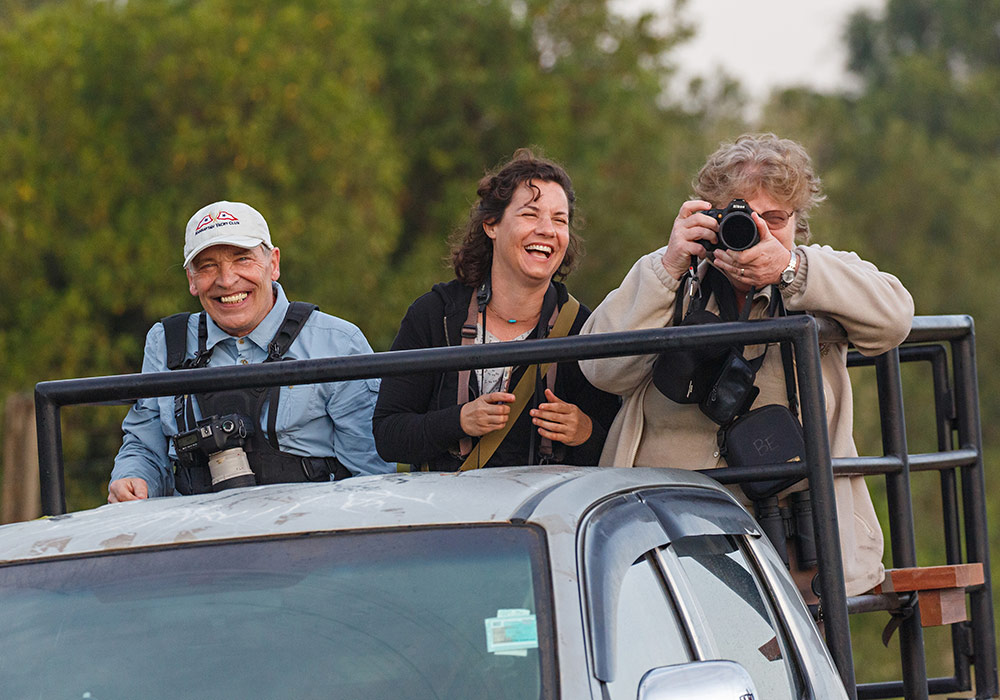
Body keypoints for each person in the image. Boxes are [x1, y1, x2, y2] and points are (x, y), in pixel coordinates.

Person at [579, 133, 914, 599]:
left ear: (798, 220)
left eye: (775, 219)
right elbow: (601, 369)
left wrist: (791, 271)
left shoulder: (817, 273)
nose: (759, 230)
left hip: (792, 527)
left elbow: (895, 318)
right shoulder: (674, 275)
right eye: (740, 216)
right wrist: (669, 266)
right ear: (711, 216)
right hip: (668, 525)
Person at [109, 200, 391, 502]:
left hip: (312, 536)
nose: (227, 280)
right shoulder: (166, 343)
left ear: (274, 264)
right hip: (195, 536)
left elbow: (371, 476)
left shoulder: (338, 342)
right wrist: (133, 478)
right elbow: (144, 446)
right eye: (207, 266)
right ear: (191, 280)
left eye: (242, 259)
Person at [373, 149, 619, 471]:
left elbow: (620, 453)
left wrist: (584, 432)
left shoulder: (585, 329)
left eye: (560, 220)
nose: (547, 230)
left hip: (542, 518)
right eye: (531, 214)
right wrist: (459, 420)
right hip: (449, 516)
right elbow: (388, 436)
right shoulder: (435, 315)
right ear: (491, 224)